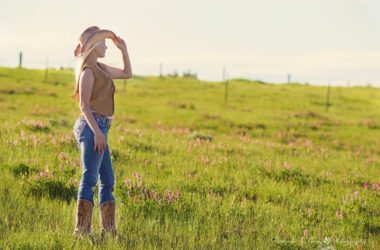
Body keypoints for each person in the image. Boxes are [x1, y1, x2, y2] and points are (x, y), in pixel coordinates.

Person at [71, 26, 132, 238]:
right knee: (90, 178)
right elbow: (84, 105)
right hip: (92, 127)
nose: (107, 45)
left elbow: (127, 73)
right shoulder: (87, 71)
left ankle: (108, 231)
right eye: (104, 42)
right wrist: (97, 132)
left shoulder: (101, 68)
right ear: (95, 46)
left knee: (108, 179)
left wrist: (123, 50)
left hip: (100, 127)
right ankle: (82, 232)